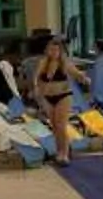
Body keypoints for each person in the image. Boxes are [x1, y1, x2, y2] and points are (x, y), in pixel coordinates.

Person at [27, 34, 79, 162]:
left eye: (56, 50)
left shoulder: (65, 63)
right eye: (51, 49)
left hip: (63, 96)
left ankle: (65, 153)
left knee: (61, 125)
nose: (54, 52)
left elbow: (75, 73)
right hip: (47, 97)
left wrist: (84, 78)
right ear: (47, 50)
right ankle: (59, 150)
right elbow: (36, 77)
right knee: (55, 126)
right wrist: (35, 88)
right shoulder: (43, 63)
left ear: (60, 51)